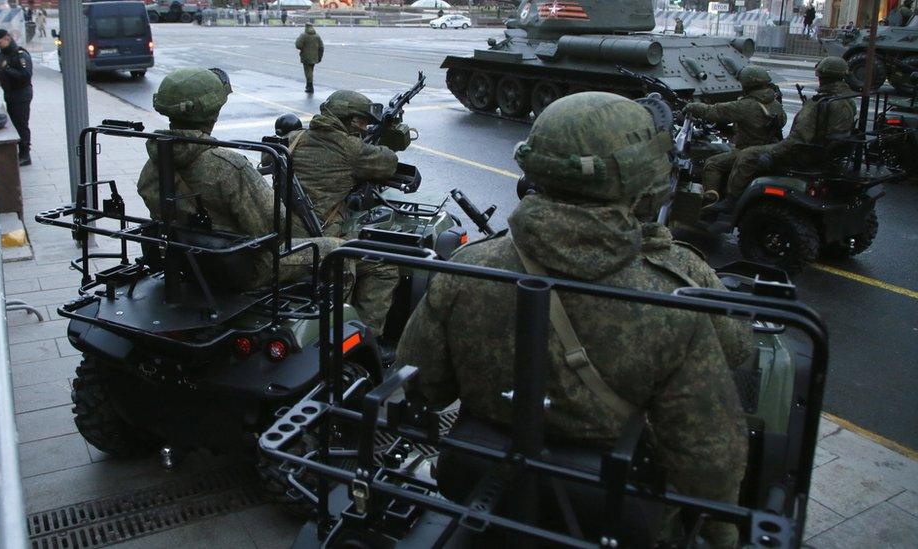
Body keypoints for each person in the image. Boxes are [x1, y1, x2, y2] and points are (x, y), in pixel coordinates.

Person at [397, 92, 748, 548]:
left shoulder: (469, 267)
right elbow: (709, 452)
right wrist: (722, 531)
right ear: (642, 178)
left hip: (483, 484)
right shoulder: (676, 289)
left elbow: (423, 385)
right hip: (612, 511)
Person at [137, 68, 342, 290]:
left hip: (185, 261)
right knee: (339, 250)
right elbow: (273, 228)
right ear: (213, 111)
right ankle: (340, 318)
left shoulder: (155, 163)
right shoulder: (227, 166)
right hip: (242, 267)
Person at [286, 90, 400, 339]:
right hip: (323, 239)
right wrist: (390, 132)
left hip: (286, 237)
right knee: (384, 264)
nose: (365, 126)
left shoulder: (295, 138)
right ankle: (364, 336)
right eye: (361, 121)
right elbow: (388, 162)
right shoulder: (351, 148)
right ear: (348, 119)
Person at [722, 56, 856, 210]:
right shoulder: (847, 100)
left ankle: (731, 201)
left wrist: (772, 153)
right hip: (829, 152)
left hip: (807, 153)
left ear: (821, 78)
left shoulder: (817, 105)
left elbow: (796, 139)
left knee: (746, 154)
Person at [683, 66, 786, 205]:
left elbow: (714, 111)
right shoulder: (775, 103)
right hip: (768, 149)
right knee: (726, 147)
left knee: (712, 164)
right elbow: (783, 121)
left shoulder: (745, 105)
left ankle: (711, 200)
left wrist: (691, 106)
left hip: (748, 150)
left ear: (747, 84)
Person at [0, 29, 33, 166]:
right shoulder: (2, 55)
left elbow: (25, 75)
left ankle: (25, 154)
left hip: (21, 93)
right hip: (10, 93)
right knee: (15, 123)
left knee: (21, 123)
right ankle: (19, 152)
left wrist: (7, 69)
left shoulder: (20, 55)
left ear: (7, 39)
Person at [295, 24, 323, 94]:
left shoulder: (303, 35)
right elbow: (321, 47)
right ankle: (308, 86)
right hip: (315, 57)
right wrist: (319, 57)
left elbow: (298, 45)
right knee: (310, 71)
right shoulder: (317, 36)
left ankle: (310, 86)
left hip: (306, 57)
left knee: (308, 72)